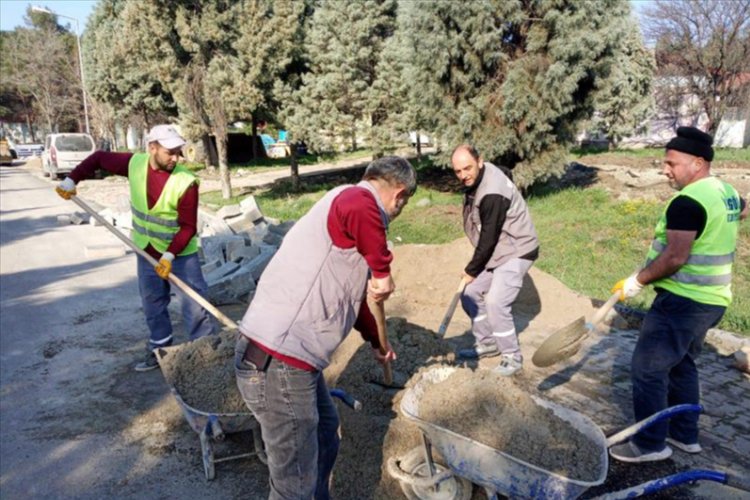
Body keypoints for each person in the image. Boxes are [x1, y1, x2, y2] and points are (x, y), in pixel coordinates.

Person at [234, 156, 416, 500]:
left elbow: (358, 302)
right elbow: (358, 207)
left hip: (290, 362)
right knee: (294, 484)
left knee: (325, 433)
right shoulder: (355, 199)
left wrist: (377, 343)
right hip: (277, 361)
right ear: (400, 194)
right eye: (402, 204)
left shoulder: (350, 229)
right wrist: (382, 269)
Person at [609, 126, 747, 463]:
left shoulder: (687, 202)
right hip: (712, 300)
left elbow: (675, 257)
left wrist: (637, 281)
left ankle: (650, 445)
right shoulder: (725, 191)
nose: (665, 169)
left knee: (647, 369)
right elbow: (742, 207)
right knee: (682, 364)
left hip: (683, 301)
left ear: (698, 163)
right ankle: (685, 435)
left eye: (672, 163)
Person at [55, 124, 217, 372]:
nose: (176, 158)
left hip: (180, 255)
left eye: (178, 152)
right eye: (169, 152)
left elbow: (187, 227)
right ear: (152, 148)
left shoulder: (186, 182)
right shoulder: (134, 164)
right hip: (145, 250)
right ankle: (160, 351)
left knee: (196, 305)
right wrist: (70, 179)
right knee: (153, 303)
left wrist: (169, 256)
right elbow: (98, 158)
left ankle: (206, 355)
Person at [451, 145, 539, 376]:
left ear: (480, 161)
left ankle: (511, 357)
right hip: (498, 251)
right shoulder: (482, 176)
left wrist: (471, 269)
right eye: (458, 171)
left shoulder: (492, 193)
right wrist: (473, 273)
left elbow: (488, 238)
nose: (463, 175)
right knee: (470, 293)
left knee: (496, 302)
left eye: (467, 168)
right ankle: (488, 342)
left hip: (517, 250)